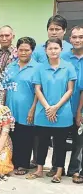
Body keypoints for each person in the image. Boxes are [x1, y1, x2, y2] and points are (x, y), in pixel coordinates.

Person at [27, 38, 76, 183]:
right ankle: (40, 169)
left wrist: (56, 107)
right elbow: (37, 89)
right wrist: (48, 107)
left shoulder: (68, 67)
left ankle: (59, 171)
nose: (53, 51)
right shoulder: (40, 68)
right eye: (50, 49)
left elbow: (70, 90)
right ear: (45, 51)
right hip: (44, 112)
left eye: (56, 48)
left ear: (61, 49)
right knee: (42, 142)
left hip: (62, 112)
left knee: (60, 144)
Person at [2, 37, 38, 176]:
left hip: (27, 110)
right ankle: (11, 163)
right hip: (10, 109)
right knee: (11, 136)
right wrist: (2, 108)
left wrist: (33, 109)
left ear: (32, 51)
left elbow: (38, 92)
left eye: (26, 50)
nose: (23, 52)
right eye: (20, 50)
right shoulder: (10, 67)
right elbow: (4, 88)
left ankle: (23, 164)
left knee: (25, 137)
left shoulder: (37, 68)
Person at [62, 26, 83, 183]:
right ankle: (58, 168)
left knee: (79, 140)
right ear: (70, 40)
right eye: (74, 37)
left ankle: (75, 170)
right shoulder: (63, 58)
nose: (77, 40)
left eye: (81, 37)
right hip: (64, 106)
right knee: (60, 140)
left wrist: (79, 111)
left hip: (81, 107)